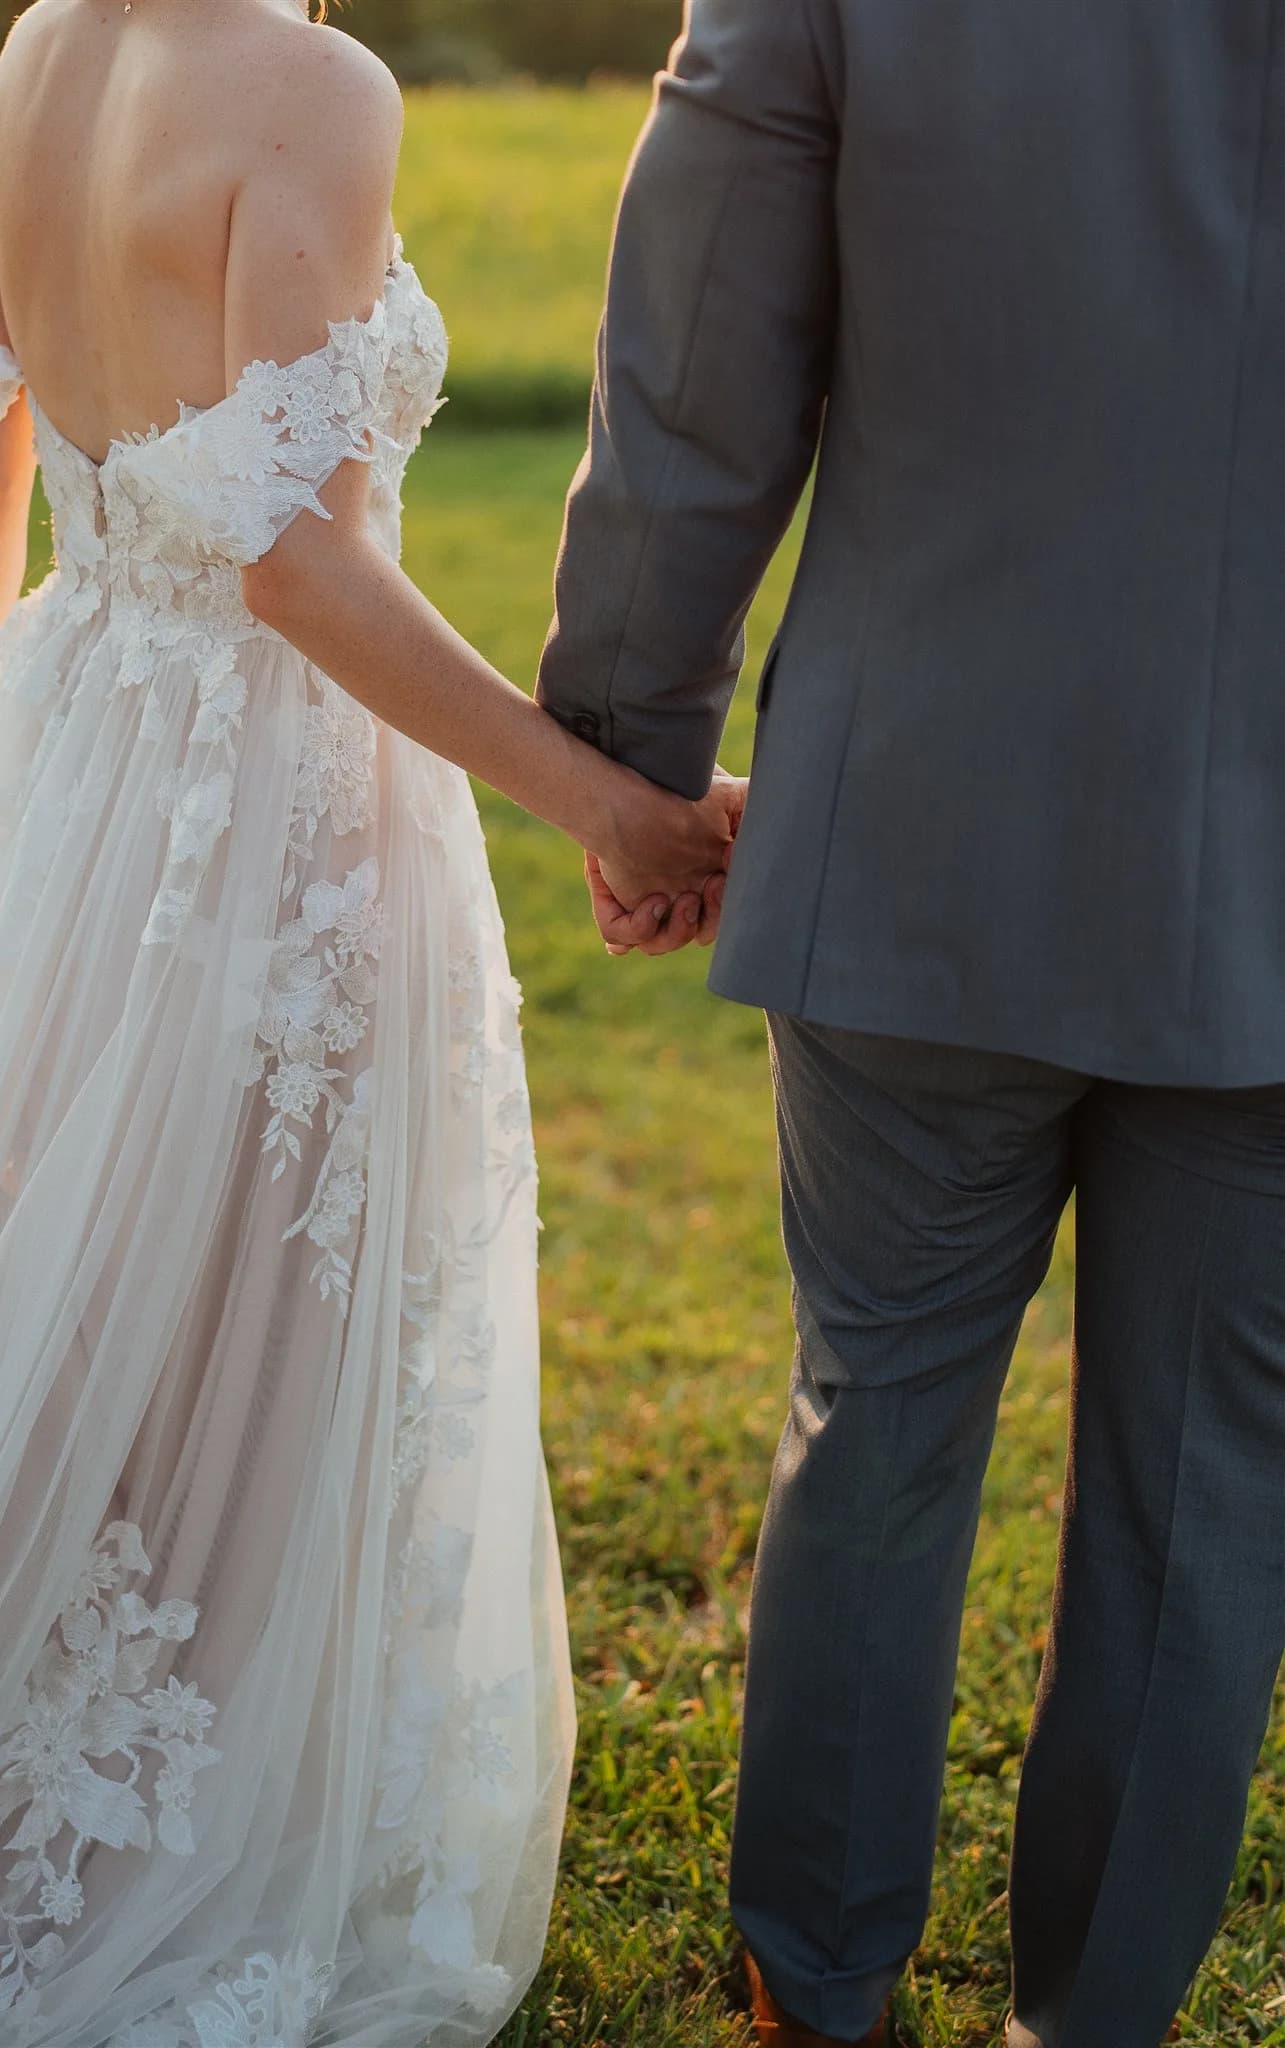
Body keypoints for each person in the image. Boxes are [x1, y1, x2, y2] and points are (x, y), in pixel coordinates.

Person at [0, 1, 741, 2040]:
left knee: (94, 1286)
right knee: (261, 1329)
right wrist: (615, 804)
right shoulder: (315, 90)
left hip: (77, 748)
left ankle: (68, 1753)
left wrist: (9, 760)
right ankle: (168, 1814)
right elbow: (294, 567)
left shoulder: (36, 47)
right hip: (281, 794)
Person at [537, 3, 1285, 2045]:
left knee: (870, 1419)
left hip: (922, 807)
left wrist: (627, 740)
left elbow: (694, 346)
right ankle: (1094, 2021)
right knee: (1209, 1486)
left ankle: (817, 1998)